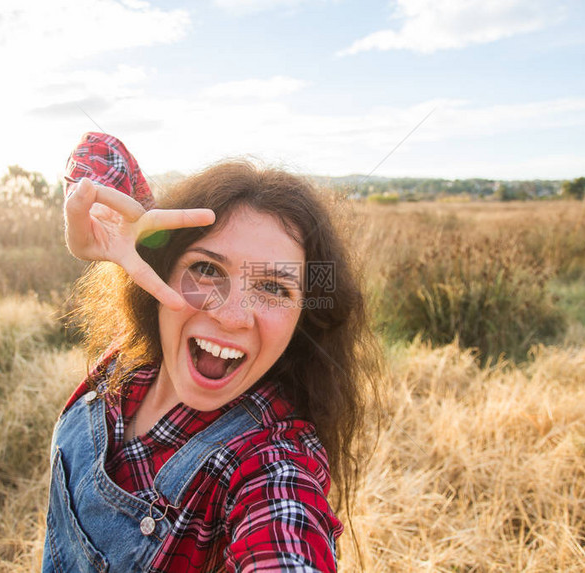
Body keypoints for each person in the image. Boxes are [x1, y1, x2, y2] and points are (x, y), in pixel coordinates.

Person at [43, 132, 380, 572]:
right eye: (206, 269)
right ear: (159, 272)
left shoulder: (273, 461)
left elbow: (285, 537)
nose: (232, 315)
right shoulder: (136, 352)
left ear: (303, 318)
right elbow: (100, 148)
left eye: (273, 287)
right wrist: (103, 217)